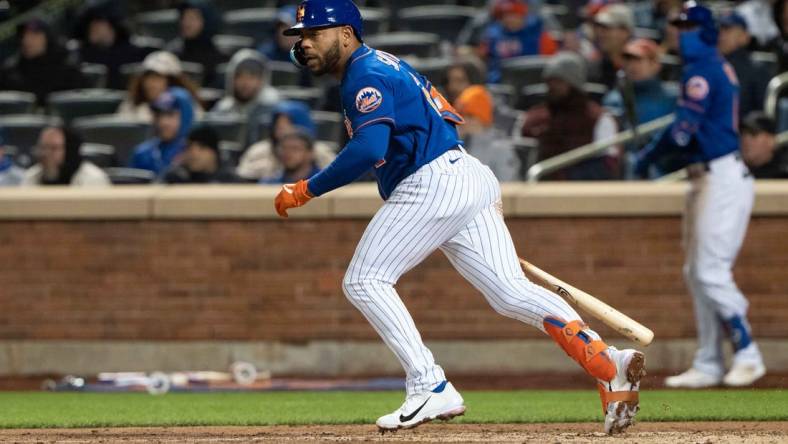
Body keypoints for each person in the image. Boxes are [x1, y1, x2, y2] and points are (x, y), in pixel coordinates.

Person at [275, 0, 645, 435]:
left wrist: (306, 188)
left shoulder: (366, 74)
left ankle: (428, 383)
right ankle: (608, 364)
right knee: (510, 293)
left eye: (313, 34)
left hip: (431, 181)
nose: (304, 45)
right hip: (464, 174)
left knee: (364, 280)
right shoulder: (388, 66)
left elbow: (370, 149)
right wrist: (471, 198)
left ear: (345, 34)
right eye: (300, 37)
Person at [635, 2, 766, 388]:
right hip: (708, 178)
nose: (682, 31)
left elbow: (681, 132)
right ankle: (708, 361)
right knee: (696, 272)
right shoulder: (702, 66)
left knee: (711, 271)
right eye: (679, 25)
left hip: (723, 176)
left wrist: (647, 157)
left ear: (707, 30)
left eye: (690, 25)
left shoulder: (705, 69)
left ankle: (747, 352)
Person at [521, 51, 621, 180]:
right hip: (535, 191)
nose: (552, 86)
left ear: (574, 83)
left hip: (580, 193)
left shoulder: (598, 119)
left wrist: (569, 177)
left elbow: (608, 163)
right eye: (549, 81)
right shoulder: (532, 118)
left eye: (559, 81)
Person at [603, 38, 677, 178]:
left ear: (655, 64)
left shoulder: (673, 97)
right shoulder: (614, 99)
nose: (631, 66)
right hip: (627, 168)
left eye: (638, 60)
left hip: (666, 166)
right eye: (628, 60)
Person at [236, 101, 335, 181]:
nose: (283, 133)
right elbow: (241, 181)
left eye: (295, 148)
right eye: (279, 127)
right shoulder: (258, 151)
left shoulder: (321, 151)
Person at [0, 18, 86, 107]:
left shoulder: (67, 67)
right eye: (24, 35)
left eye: (34, 35)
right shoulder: (11, 70)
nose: (27, 40)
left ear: (47, 38)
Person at [210, 49, 281, 146]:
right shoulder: (223, 108)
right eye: (240, 76)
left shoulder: (274, 108)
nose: (245, 83)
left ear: (262, 79)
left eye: (252, 77)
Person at [479, 0, 558, 84]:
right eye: (506, 15)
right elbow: (483, 59)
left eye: (513, 15)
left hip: (532, 81)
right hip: (500, 83)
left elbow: (549, 62)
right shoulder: (492, 34)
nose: (509, 19)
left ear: (522, 16)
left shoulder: (538, 34)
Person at [74, 4, 150, 90]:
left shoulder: (136, 52)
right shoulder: (82, 54)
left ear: (110, 26)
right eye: (90, 25)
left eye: (98, 24)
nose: (92, 28)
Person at [454, 85, 520, 181]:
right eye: (460, 114)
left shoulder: (500, 148)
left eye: (470, 116)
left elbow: (508, 185)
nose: (463, 121)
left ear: (483, 119)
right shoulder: (455, 145)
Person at [117, 51, 204, 122]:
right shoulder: (132, 104)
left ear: (172, 81)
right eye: (147, 77)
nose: (151, 84)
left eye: (158, 78)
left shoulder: (188, 106)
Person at [129, 87, 195, 175]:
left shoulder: (197, 154)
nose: (163, 122)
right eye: (159, 115)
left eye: (170, 115)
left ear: (186, 116)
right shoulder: (142, 154)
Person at [718, 12, 770, 119]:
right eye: (719, 30)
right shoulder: (711, 66)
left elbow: (761, 115)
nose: (721, 35)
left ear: (744, 37)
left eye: (727, 30)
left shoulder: (757, 70)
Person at [22, 126, 110, 187]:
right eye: (43, 147)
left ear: (69, 151)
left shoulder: (93, 179)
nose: (46, 153)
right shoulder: (31, 177)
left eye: (54, 148)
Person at [166, 0, 225, 87]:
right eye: (183, 18)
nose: (186, 23)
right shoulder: (172, 53)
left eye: (192, 18)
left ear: (206, 21)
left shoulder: (218, 56)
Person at [161, 125, 241, 184]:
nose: (194, 153)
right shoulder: (175, 177)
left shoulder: (230, 180)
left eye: (202, 147)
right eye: (189, 147)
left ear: (214, 153)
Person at [588, 3, 635, 90]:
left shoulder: (638, 68)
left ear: (625, 32)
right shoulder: (592, 68)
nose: (600, 34)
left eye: (607, 28)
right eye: (599, 28)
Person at [740, 112, 788, 178]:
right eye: (742, 134)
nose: (746, 140)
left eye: (753, 134)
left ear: (771, 141)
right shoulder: (732, 171)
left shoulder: (784, 171)